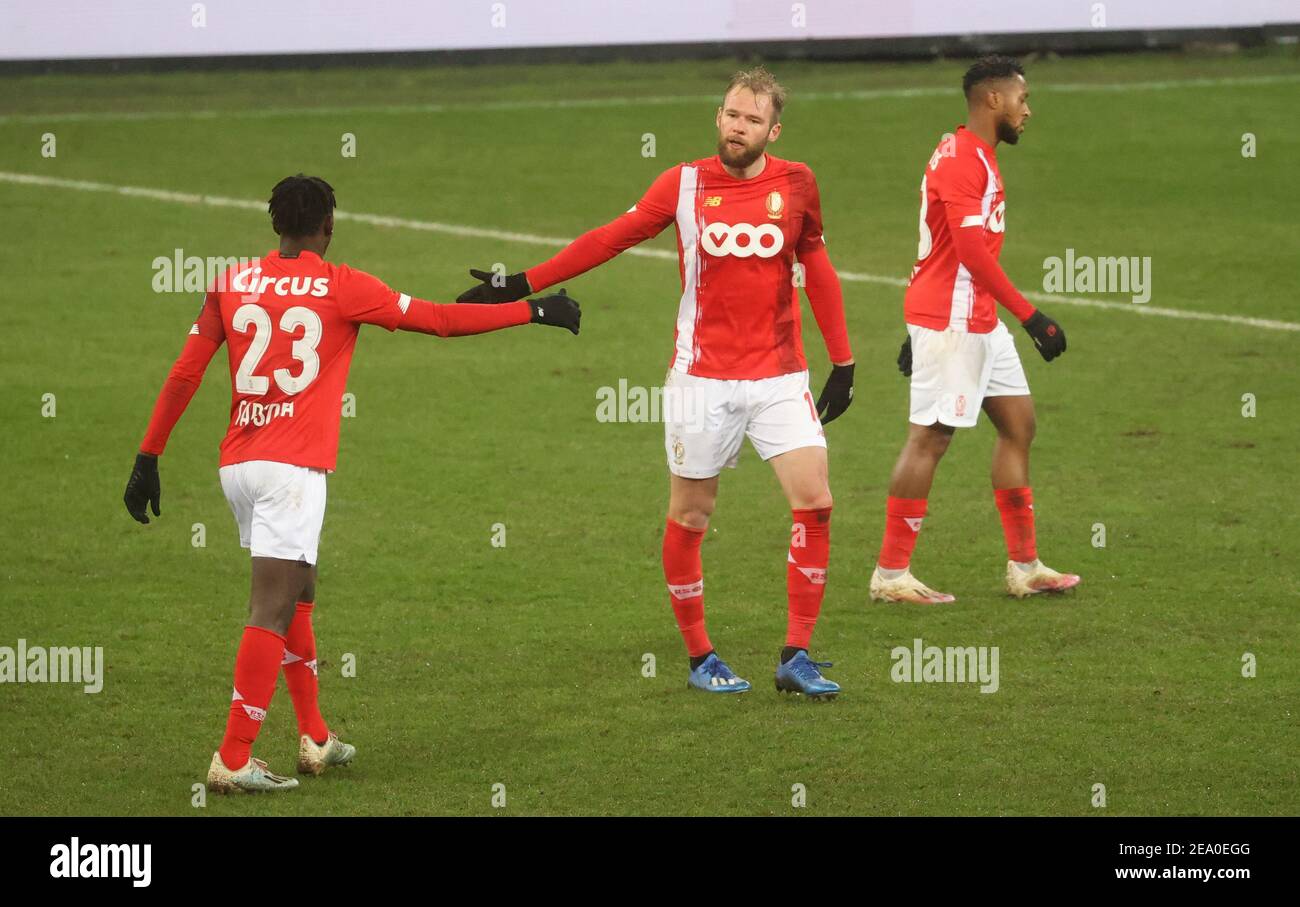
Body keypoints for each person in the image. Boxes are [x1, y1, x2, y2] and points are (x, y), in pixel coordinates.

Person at [123, 174, 581, 792]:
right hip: (293, 470)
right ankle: (233, 758)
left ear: (275, 224)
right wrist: (533, 309)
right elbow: (440, 320)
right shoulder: (344, 287)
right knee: (272, 604)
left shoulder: (231, 282)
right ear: (328, 227)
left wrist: (147, 458)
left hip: (240, 464)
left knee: (300, 586)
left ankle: (315, 737)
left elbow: (185, 372)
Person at [457, 68, 853, 699]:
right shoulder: (685, 183)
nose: (737, 127)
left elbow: (818, 264)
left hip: (780, 374)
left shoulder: (798, 182)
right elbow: (611, 239)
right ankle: (702, 658)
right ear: (717, 118)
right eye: (730, 115)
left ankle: (796, 655)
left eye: (751, 120)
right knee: (692, 514)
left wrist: (845, 361)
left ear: (772, 130)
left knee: (817, 503)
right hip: (701, 379)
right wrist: (521, 283)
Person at [871, 56, 1080, 605]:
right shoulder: (965, 160)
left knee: (1019, 424)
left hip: (970, 318)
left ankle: (1026, 566)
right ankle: (891, 576)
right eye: (1022, 99)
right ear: (993, 100)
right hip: (956, 321)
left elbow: (942, 245)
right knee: (931, 438)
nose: (1027, 110)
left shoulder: (971, 154)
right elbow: (967, 251)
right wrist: (1030, 315)